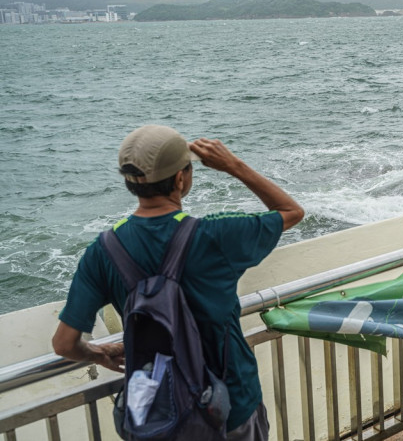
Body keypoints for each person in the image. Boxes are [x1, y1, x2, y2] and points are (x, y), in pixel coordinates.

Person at [52, 125, 303, 439]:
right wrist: (233, 166)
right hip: (231, 407)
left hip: (159, 415)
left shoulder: (103, 251)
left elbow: (64, 344)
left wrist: (97, 353)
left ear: (129, 181)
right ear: (182, 178)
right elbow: (290, 211)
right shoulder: (215, 235)